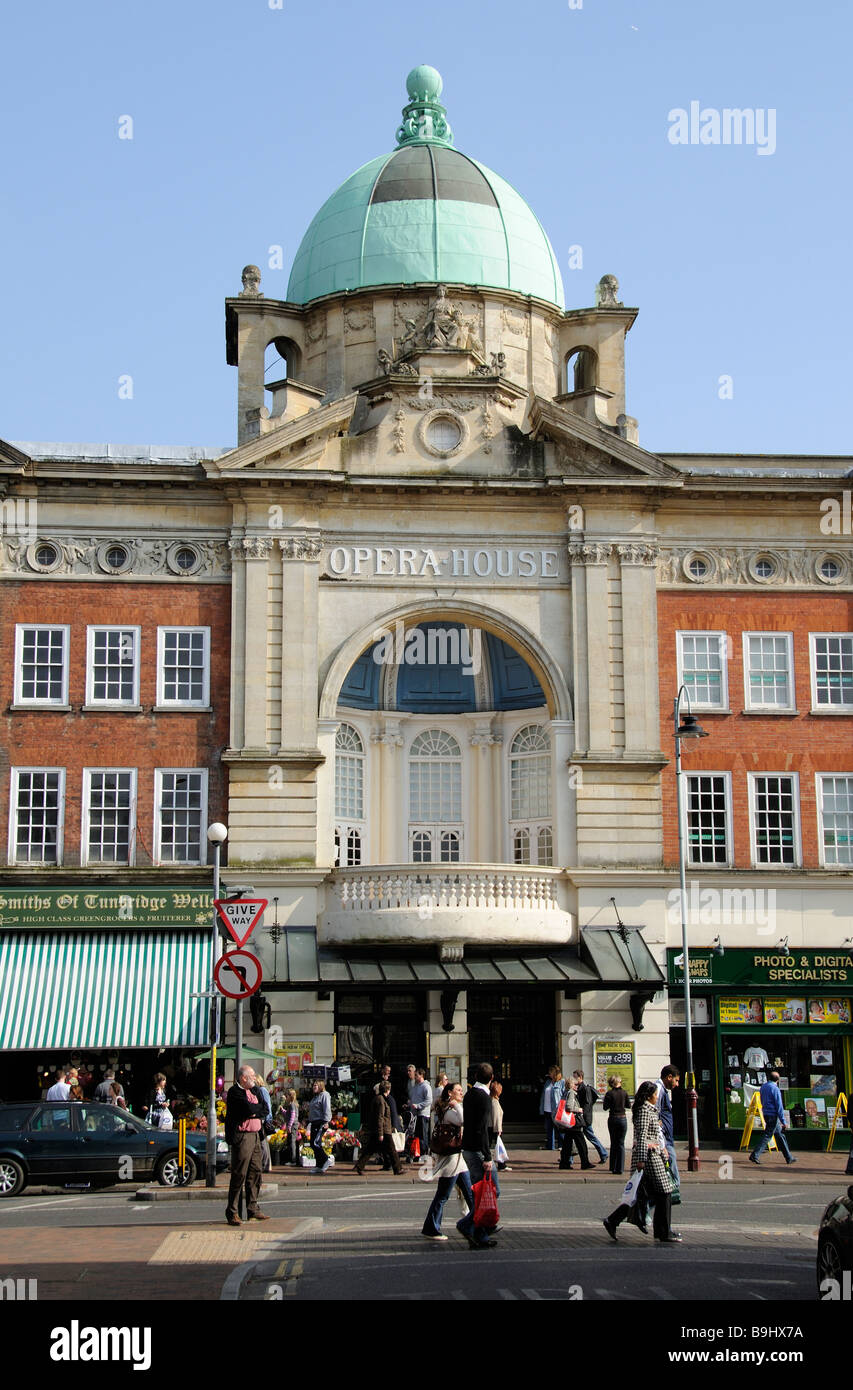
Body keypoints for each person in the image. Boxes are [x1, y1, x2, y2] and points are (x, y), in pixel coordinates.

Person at [603, 1081, 680, 1243]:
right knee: (665, 1191)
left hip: (654, 1154)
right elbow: (642, 1137)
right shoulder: (645, 1110)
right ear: (649, 1095)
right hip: (650, 1157)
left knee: (642, 1195)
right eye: (655, 1094)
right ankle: (663, 1232)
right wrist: (641, 1160)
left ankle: (613, 1220)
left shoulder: (649, 1109)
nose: (657, 1096)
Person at [422, 1082, 474, 1239]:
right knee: (443, 1195)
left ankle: (480, 1223)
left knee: (470, 1194)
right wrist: (457, 1105)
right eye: (458, 1090)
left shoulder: (450, 1109)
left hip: (458, 1158)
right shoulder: (449, 1111)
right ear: (450, 1093)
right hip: (451, 1160)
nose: (461, 1092)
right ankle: (431, 1227)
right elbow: (464, 1121)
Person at [458, 1063, 499, 1249]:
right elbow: (483, 1129)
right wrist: (488, 1156)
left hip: (467, 1147)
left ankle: (479, 1233)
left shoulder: (469, 1095)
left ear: (475, 1075)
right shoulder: (484, 1098)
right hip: (478, 1150)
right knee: (492, 1190)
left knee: (481, 1193)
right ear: (491, 1079)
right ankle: (469, 1225)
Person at [224, 1065, 269, 1225]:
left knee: (256, 1172)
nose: (255, 1078)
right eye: (252, 1075)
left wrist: (254, 1111)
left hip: (256, 1135)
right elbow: (246, 1109)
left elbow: (264, 1108)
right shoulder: (235, 1092)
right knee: (239, 1173)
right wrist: (254, 1111)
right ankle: (232, 1211)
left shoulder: (256, 1090)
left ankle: (253, 1208)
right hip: (242, 1136)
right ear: (243, 1078)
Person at [354, 1081, 403, 1175]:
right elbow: (380, 1117)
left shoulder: (380, 1098)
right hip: (383, 1130)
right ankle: (398, 1169)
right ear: (388, 1089)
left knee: (370, 1149)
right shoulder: (381, 1100)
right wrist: (381, 1133)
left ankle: (360, 1166)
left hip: (380, 1129)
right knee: (392, 1150)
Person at [749, 1071, 797, 1166]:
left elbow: (762, 1099)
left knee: (780, 1135)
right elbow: (779, 1105)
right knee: (767, 1135)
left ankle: (788, 1157)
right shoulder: (775, 1088)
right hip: (773, 1115)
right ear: (778, 1080)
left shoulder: (763, 1087)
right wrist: (783, 1121)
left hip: (766, 1113)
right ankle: (755, 1155)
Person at [654, 1065, 681, 1196]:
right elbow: (655, 1111)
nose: (677, 1084)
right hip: (664, 1138)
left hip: (666, 1138)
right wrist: (662, 1142)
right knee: (672, 1178)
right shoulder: (658, 1089)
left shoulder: (663, 1090)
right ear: (669, 1077)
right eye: (676, 1080)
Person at [558, 1075, 593, 1171]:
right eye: (575, 1084)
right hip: (574, 1122)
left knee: (567, 1144)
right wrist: (579, 1109)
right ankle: (585, 1163)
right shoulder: (571, 1093)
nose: (577, 1086)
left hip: (568, 1123)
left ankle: (564, 1163)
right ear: (572, 1085)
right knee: (581, 1144)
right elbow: (569, 1107)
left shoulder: (565, 1092)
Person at [573, 1069, 608, 1164]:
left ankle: (603, 1153)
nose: (574, 1079)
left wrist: (583, 1115)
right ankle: (569, 1158)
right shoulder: (578, 1088)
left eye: (575, 1077)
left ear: (580, 1078)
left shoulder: (584, 1089)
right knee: (576, 1137)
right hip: (581, 1117)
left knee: (590, 1136)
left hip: (583, 1118)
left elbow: (587, 1104)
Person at [602, 1074, 631, 1174]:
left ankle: (612, 1166)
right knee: (621, 1143)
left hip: (613, 1118)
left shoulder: (609, 1094)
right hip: (622, 1119)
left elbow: (605, 1108)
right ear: (619, 1082)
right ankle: (620, 1168)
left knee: (613, 1142)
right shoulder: (624, 1093)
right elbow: (628, 1105)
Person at [308, 1079, 333, 1173]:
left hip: (320, 1122)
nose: (314, 1087)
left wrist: (326, 1121)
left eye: (316, 1085)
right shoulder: (315, 1097)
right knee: (313, 1143)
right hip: (314, 1122)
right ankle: (319, 1165)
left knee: (315, 1143)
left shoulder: (324, 1095)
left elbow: (327, 1108)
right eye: (313, 1085)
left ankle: (326, 1159)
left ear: (321, 1086)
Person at [409, 1067, 432, 1163]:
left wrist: (418, 1105)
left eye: (416, 1075)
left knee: (423, 1135)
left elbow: (429, 1100)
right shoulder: (416, 1086)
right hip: (416, 1114)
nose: (415, 1077)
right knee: (417, 1135)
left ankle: (424, 1154)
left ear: (421, 1075)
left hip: (423, 1114)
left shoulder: (426, 1086)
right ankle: (418, 1153)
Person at [539, 1066, 565, 1152]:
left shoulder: (561, 1082)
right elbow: (543, 1094)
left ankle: (562, 1145)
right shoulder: (548, 1082)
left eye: (550, 1072)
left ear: (554, 1073)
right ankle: (550, 1145)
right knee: (549, 1128)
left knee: (559, 1128)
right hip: (547, 1109)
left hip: (556, 1109)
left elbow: (564, 1095)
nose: (549, 1074)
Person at [489, 1080, 510, 1171]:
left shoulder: (490, 1100)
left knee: (489, 1145)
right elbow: (496, 1117)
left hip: (490, 1127)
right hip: (494, 1128)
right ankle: (502, 1164)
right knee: (499, 1146)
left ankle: (501, 1164)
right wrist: (498, 1129)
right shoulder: (495, 1102)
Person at [255, 1072, 274, 1173]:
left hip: (263, 1120)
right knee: (263, 1142)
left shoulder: (262, 1090)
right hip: (262, 1119)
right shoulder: (259, 1090)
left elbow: (267, 1105)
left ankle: (265, 1164)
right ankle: (266, 1164)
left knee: (262, 1142)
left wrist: (268, 1119)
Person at [281, 1088, 300, 1165]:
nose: (286, 1097)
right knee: (290, 1141)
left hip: (292, 1125)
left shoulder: (292, 1104)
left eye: (287, 1095)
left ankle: (293, 1160)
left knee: (292, 1141)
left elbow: (292, 1116)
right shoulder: (292, 1104)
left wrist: (289, 1126)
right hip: (293, 1124)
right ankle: (292, 1159)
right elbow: (289, 1114)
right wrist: (283, 1110)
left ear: (290, 1096)